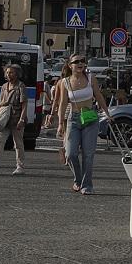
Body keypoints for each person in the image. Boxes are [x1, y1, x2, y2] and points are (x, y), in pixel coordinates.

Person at [50, 54, 105, 194]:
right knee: (70, 154)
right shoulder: (64, 82)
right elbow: (62, 104)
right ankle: (78, 180)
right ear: (70, 65)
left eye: (83, 61)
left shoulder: (91, 78)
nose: (80, 64)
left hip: (90, 118)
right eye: (76, 62)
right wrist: (60, 123)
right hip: (73, 119)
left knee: (88, 154)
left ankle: (87, 185)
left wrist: (108, 113)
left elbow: (98, 96)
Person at [0, 63, 28, 175]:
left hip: (16, 118)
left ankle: (20, 167)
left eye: (11, 72)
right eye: (7, 72)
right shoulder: (4, 86)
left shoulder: (21, 86)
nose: (9, 75)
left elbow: (24, 105)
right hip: (4, 119)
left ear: (17, 74)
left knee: (18, 143)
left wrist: (22, 120)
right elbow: (2, 101)